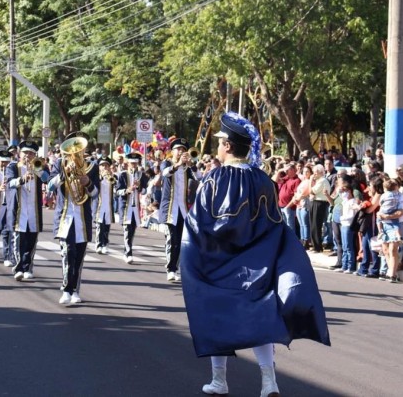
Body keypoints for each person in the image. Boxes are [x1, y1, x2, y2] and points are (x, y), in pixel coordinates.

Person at [181, 112, 330, 396]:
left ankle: (219, 380)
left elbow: (199, 221)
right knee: (261, 317)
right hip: (257, 263)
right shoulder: (262, 179)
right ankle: (268, 382)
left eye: (220, 142)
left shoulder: (214, 177)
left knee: (216, 317)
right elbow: (274, 223)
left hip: (219, 262)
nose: (218, 147)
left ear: (227, 145)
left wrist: (194, 254)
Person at [49, 132, 99, 304]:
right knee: (67, 253)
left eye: (79, 148)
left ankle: (75, 290)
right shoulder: (59, 163)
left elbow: (95, 193)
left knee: (78, 257)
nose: (76, 152)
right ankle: (66, 289)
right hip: (65, 218)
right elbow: (49, 186)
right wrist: (63, 175)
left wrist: (87, 183)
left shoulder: (92, 166)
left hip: (83, 219)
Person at [6, 141, 50, 281]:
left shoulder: (40, 166)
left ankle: (28, 267)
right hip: (19, 209)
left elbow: (47, 179)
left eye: (31, 153)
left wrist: (37, 169)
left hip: (33, 209)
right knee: (19, 240)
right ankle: (19, 268)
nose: (28, 156)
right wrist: (22, 179)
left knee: (31, 240)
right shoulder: (12, 166)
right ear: (20, 153)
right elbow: (10, 183)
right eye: (25, 153)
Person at [160, 138, 195, 281]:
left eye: (183, 150)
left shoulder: (187, 168)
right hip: (169, 209)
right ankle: (170, 269)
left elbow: (198, 180)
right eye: (178, 149)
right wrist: (178, 164)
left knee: (180, 240)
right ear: (172, 151)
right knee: (171, 239)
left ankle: (176, 267)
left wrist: (192, 166)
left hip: (183, 209)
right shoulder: (166, 163)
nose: (180, 152)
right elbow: (165, 173)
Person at [115, 152, 148, 264]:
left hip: (136, 208)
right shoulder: (122, 175)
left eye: (135, 163)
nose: (133, 165)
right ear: (128, 163)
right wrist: (126, 190)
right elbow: (117, 191)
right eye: (131, 163)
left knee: (132, 231)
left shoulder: (141, 175)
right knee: (127, 230)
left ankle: (127, 250)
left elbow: (145, 191)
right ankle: (128, 253)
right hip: (126, 207)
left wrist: (139, 187)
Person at [94, 157, 116, 254]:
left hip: (108, 205)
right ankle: (98, 244)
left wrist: (110, 176)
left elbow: (116, 184)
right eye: (102, 165)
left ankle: (105, 244)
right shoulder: (96, 177)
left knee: (107, 225)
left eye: (106, 165)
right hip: (100, 204)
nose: (105, 167)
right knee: (100, 225)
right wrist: (102, 177)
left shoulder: (113, 176)